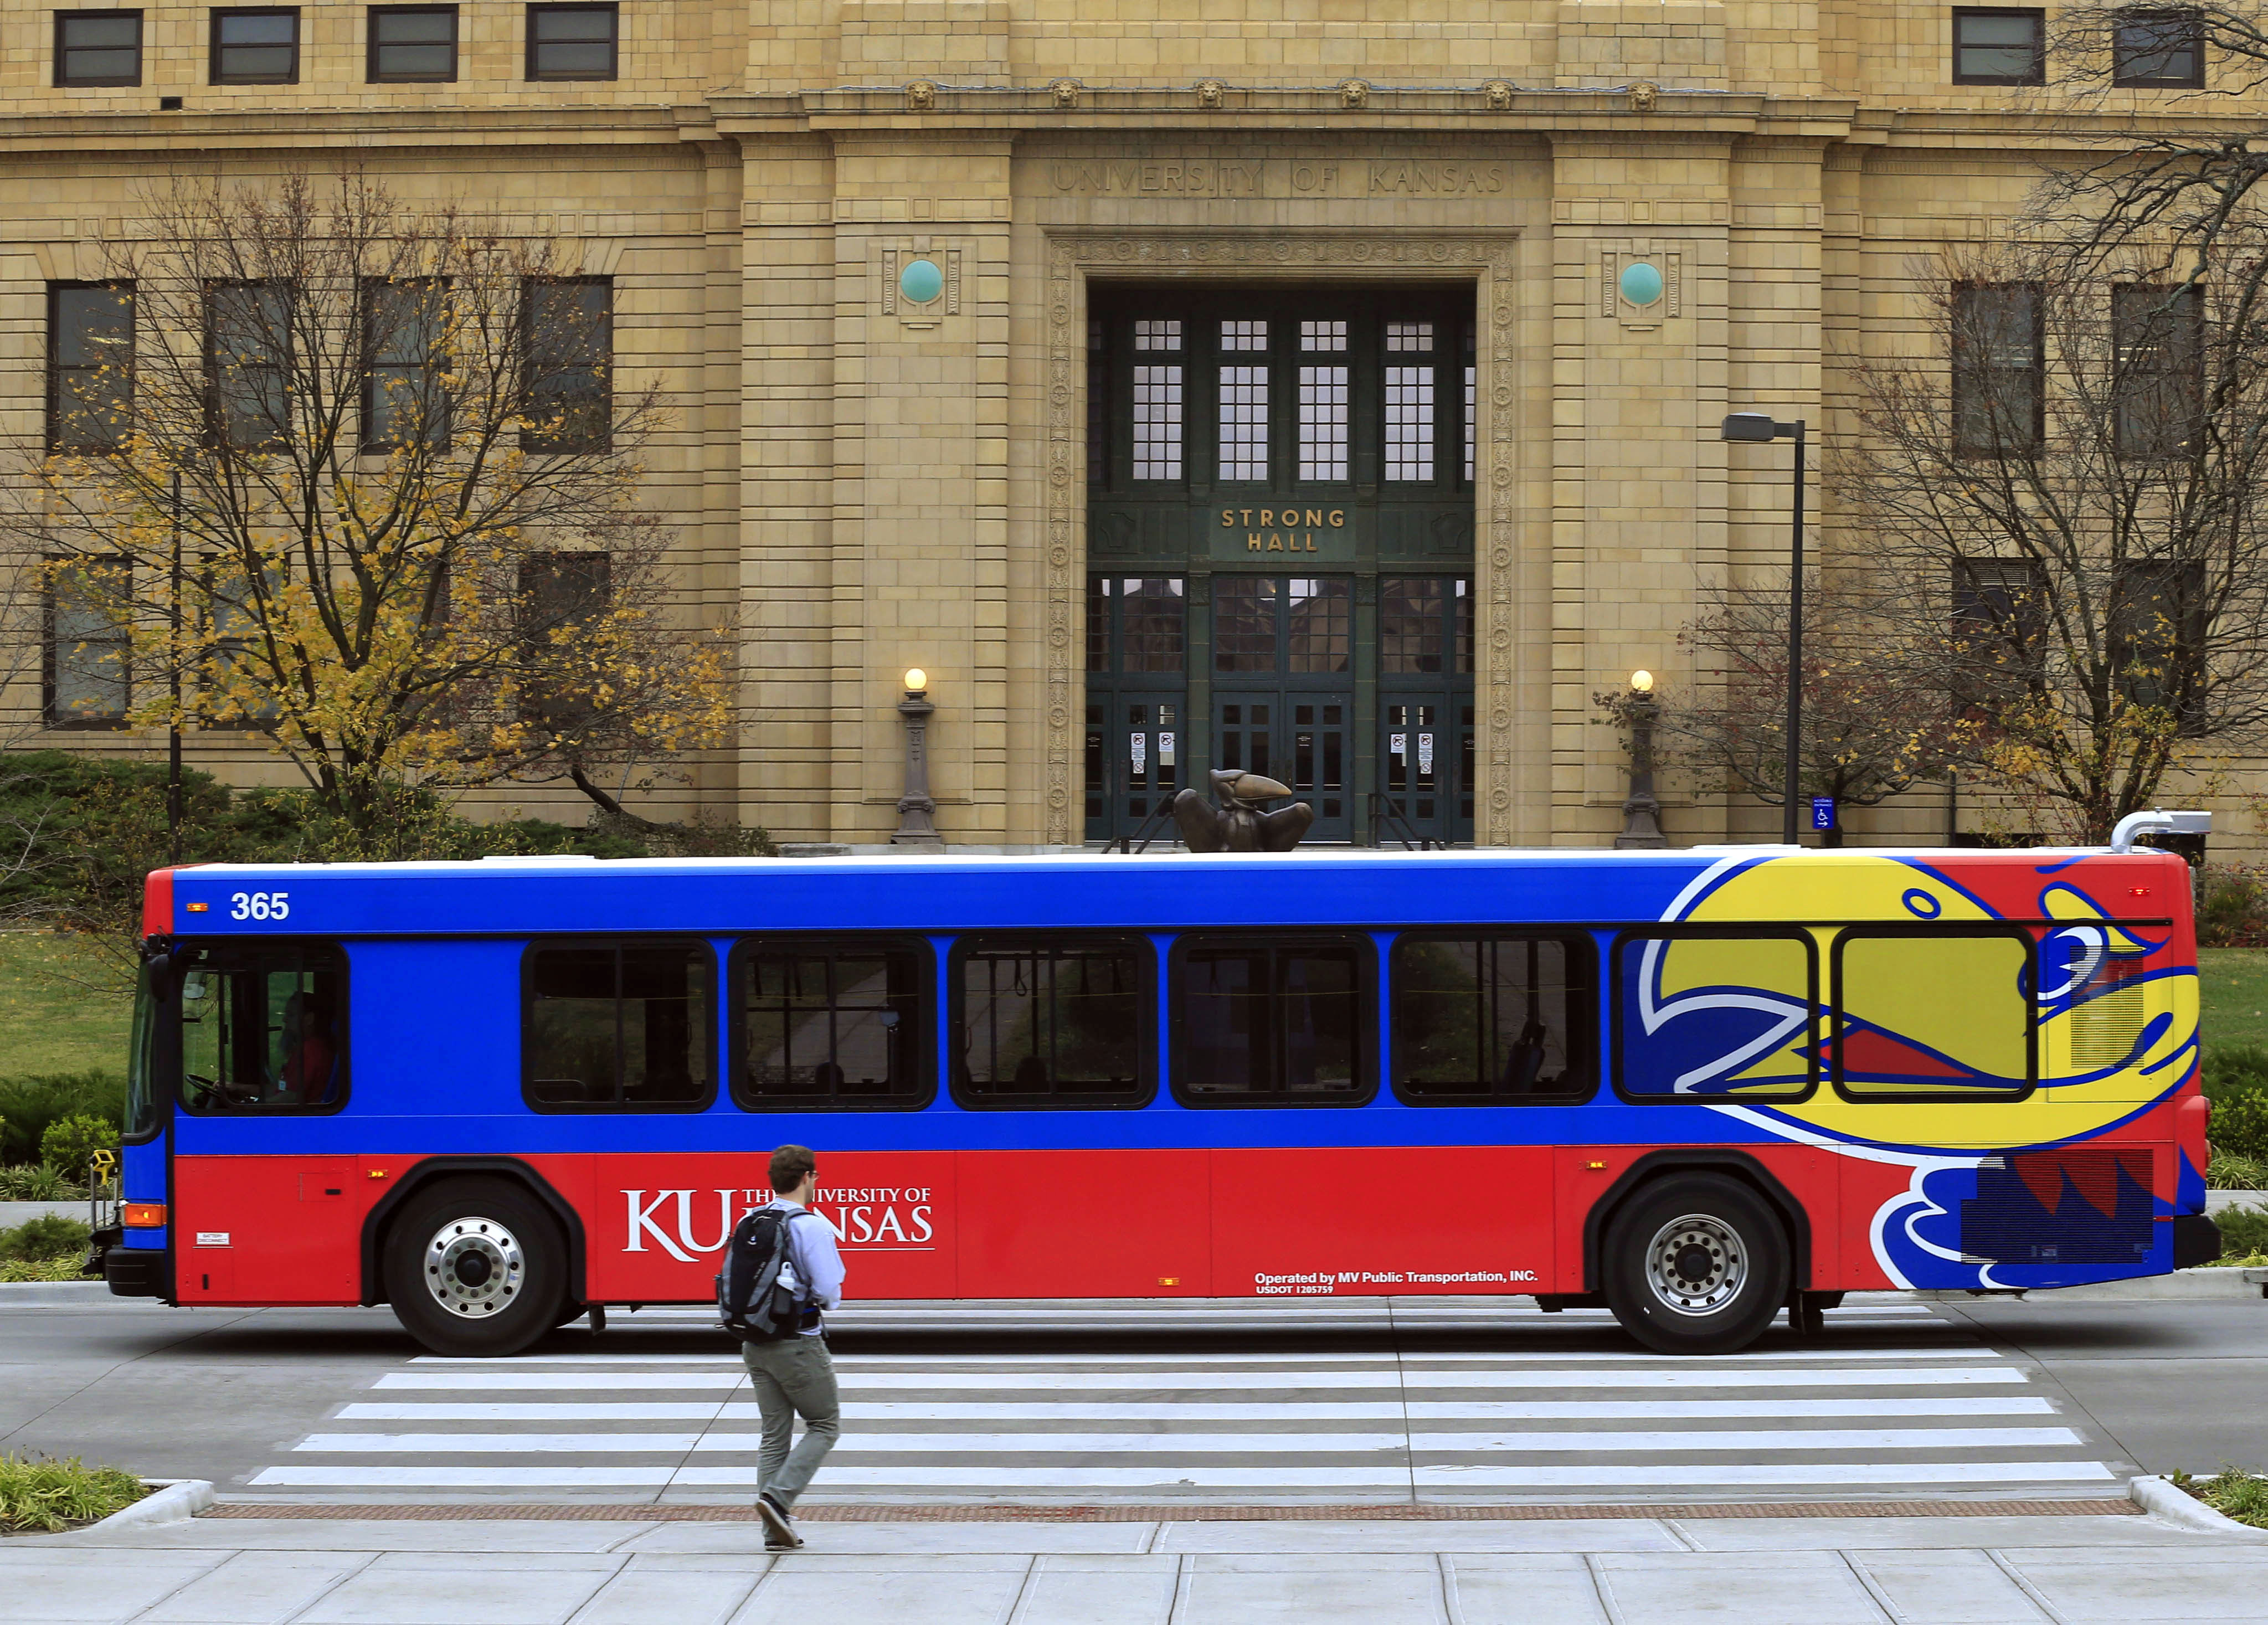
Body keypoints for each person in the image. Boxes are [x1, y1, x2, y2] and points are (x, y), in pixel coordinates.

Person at [742, 1143, 844, 1551]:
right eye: (815, 1177)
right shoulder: (810, 1225)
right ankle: (777, 1499)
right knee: (824, 1425)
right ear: (806, 1178)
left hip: (755, 1342)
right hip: (797, 1344)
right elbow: (828, 1292)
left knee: (774, 1436)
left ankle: (774, 1532)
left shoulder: (751, 1218)